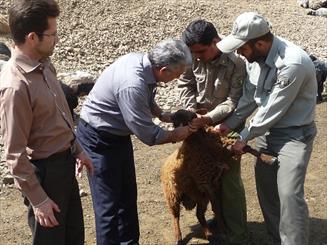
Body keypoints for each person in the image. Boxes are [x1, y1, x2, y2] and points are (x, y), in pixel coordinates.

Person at [76, 38, 195, 245]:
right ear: (164, 69)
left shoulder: (142, 63)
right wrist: (176, 135)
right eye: (177, 74)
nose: (177, 79)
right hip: (99, 140)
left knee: (127, 197)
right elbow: (147, 133)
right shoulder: (132, 83)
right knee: (108, 206)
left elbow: (146, 97)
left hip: (118, 136)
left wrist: (164, 115)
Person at [215, 12, 317, 245]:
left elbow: (273, 109)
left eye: (242, 48)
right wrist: (226, 125)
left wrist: (243, 137)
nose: (239, 53)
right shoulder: (256, 61)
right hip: (266, 135)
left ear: (259, 43)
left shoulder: (292, 63)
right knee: (268, 192)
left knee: (289, 195)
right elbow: (250, 100)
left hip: (295, 136)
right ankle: (276, 238)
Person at [0, 1, 93, 245]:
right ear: (32, 37)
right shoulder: (15, 86)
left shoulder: (45, 66)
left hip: (65, 166)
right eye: (52, 34)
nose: (57, 39)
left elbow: (59, 117)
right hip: (44, 176)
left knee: (74, 239)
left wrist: (78, 149)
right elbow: (14, 155)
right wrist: (39, 200)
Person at [178, 19, 251, 245]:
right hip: (198, 127)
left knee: (228, 181)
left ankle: (238, 235)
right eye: (193, 53)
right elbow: (185, 84)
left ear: (215, 42)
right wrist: (191, 113)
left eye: (200, 51)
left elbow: (233, 101)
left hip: (226, 126)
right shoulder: (193, 57)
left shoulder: (237, 62)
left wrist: (208, 119)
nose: (196, 57)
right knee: (206, 178)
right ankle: (220, 222)